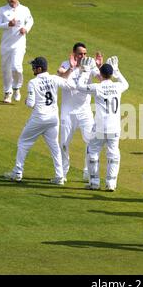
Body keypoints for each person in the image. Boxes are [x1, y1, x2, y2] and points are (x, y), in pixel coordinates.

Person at [4, 57, 75, 185]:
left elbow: (30, 104)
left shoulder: (33, 82)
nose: (32, 68)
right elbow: (69, 85)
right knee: (55, 147)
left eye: (34, 66)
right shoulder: (54, 78)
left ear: (39, 69)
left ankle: (17, 172)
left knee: (23, 142)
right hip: (53, 119)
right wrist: (71, 69)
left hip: (39, 118)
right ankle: (59, 177)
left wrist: (26, 100)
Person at [75, 57, 128, 191]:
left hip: (99, 127)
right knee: (113, 154)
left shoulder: (97, 87)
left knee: (93, 152)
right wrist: (117, 70)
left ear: (101, 74)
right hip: (115, 127)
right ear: (111, 74)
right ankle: (110, 183)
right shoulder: (117, 86)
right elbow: (126, 84)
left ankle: (94, 182)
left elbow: (79, 86)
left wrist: (85, 72)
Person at [57, 42, 102, 183]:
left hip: (85, 111)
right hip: (68, 112)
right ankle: (63, 173)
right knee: (64, 143)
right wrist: (71, 67)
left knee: (91, 142)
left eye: (85, 53)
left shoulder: (89, 64)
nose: (83, 56)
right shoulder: (66, 64)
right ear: (74, 53)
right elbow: (60, 77)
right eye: (80, 54)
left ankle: (87, 172)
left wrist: (99, 67)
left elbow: (101, 79)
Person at [0, 0, 34, 103]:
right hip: (6, 45)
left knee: (16, 67)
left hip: (19, 44)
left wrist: (25, 29)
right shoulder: (2, 10)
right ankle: (7, 92)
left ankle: (16, 88)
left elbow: (30, 21)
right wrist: (8, 24)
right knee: (6, 70)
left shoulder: (24, 9)